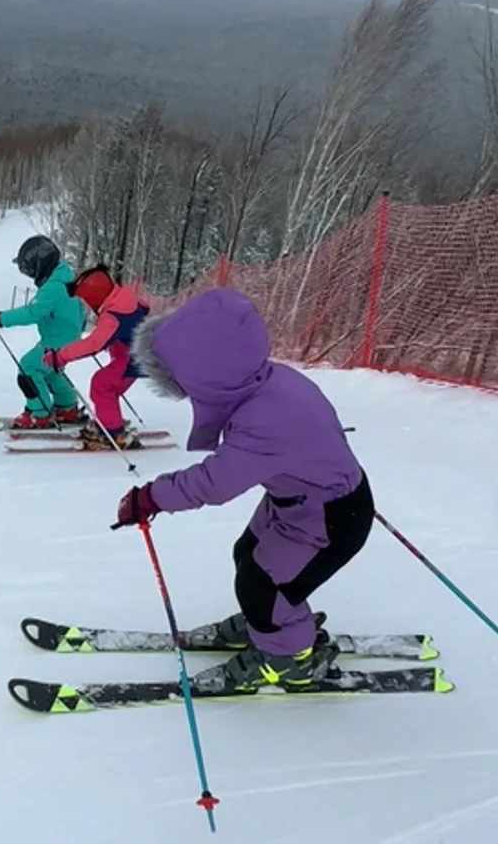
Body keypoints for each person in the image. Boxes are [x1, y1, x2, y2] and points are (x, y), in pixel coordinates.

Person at [112, 287, 373, 693]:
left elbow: (215, 483)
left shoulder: (263, 420)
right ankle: (264, 622)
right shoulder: (269, 381)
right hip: (301, 500)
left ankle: (290, 658)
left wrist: (150, 498)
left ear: (208, 372)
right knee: (247, 555)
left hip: (330, 518)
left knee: (264, 587)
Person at [0, 234, 86, 429]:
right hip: (65, 338)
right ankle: (66, 407)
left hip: (57, 340)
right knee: (51, 371)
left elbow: (34, 311)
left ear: (39, 263)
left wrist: (0, 319)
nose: (30, 275)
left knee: (28, 367)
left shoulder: (55, 286)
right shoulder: (65, 279)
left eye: (28, 269)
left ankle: (39, 414)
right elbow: (80, 310)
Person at [41, 265, 147, 448]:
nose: (87, 304)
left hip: (132, 360)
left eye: (86, 299)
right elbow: (144, 309)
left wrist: (60, 356)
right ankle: (109, 422)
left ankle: (113, 433)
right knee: (106, 387)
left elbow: (93, 344)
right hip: (137, 356)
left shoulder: (113, 315)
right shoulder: (123, 297)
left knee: (102, 385)